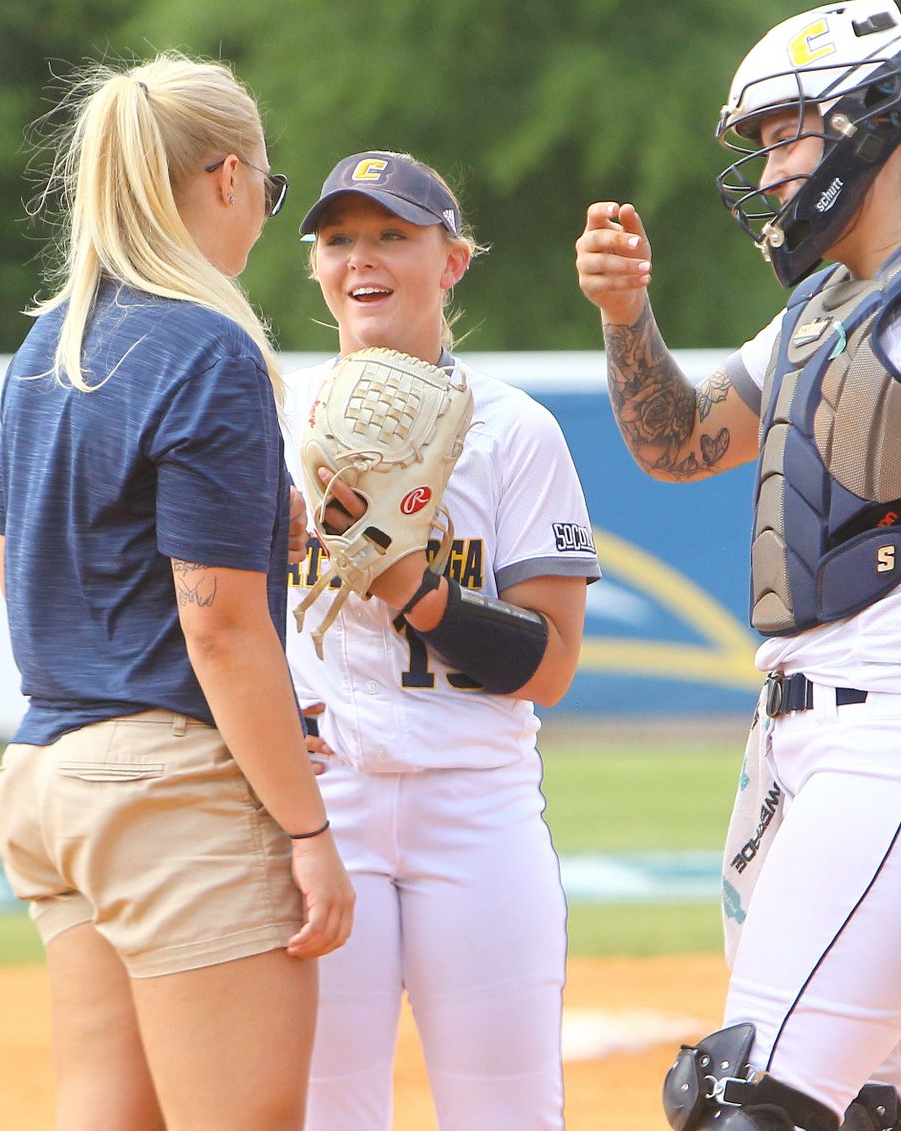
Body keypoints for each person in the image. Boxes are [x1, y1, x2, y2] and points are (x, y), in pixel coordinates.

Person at [576, 0, 901, 1131]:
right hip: (802, 747)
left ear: (883, 122)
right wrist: (626, 316)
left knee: (748, 1098)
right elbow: (678, 440)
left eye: (788, 131)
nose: (774, 165)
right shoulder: (817, 311)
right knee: (900, 1114)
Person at [0, 53, 354, 1130]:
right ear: (230, 177)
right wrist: (304, 827)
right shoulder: (207, 345)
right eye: (271, 193)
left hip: (51, 771)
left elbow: (29, 570)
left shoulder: (44, 343)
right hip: (167, 792)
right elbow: (222, 628)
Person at [283, 149, 601, 1131]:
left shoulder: (513, 430)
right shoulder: (275, 418)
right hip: (321, 802)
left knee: (506, 1114)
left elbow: (548, 663)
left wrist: (407, 584)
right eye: (339, 238)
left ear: (451, 261)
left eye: (393, 235)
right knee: (325, 1112)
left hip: (477, 801)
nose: (362, 258)